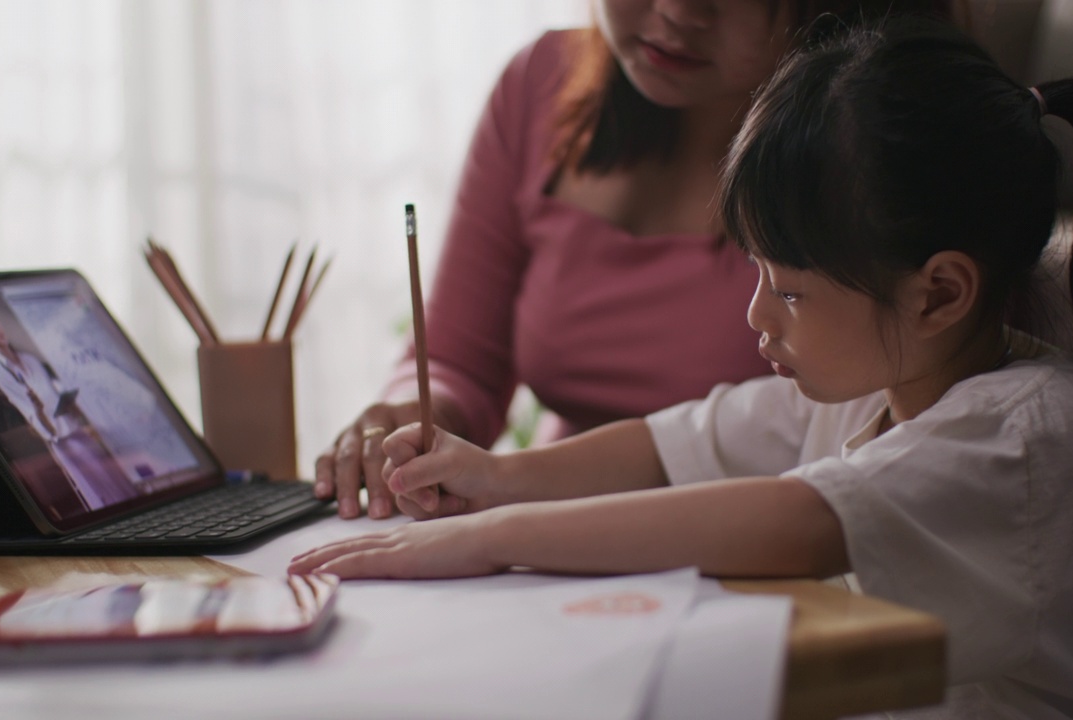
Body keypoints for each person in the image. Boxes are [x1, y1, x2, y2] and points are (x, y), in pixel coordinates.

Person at [291, 17, 1073, 718]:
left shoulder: (1028, 431)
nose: (756, 315)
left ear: (938, 294)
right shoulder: (867, 389)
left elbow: (792, 522)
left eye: (789, 292)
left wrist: (485, 537)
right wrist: (494, 476)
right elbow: (675, 443)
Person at [316, 0, 955, 520]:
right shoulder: (541, 84)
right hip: (538, 539)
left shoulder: (880, 169)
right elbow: (459, 358)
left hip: (749, 565)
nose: (677, 11)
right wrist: (411, 418)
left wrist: (508, 523)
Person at [0, 293, 141, 511]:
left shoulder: (29, 360)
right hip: (62, 439)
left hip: (77, 429)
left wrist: (70, 402)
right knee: (102, 491)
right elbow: (29, 408)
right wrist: (43, 414)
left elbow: (54, 391)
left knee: (119, 484)